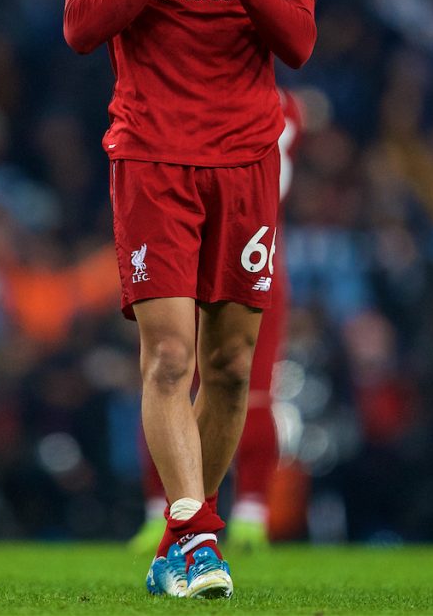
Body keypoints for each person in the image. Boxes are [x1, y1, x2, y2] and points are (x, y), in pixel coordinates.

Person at [63, 0, 316, 598]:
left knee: (236, 365)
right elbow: (82, 24)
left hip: (247, 161)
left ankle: (184, 535)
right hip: (153, 157)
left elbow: (300, 41)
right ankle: (199, 535)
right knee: (171, 356)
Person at [128, 88, 304, 555]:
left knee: (228, 380)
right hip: (245, 236)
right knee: (171, 369)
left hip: (237, 229)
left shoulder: (212, 97)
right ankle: (221, 516)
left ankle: (228, 513)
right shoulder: (290, 106)